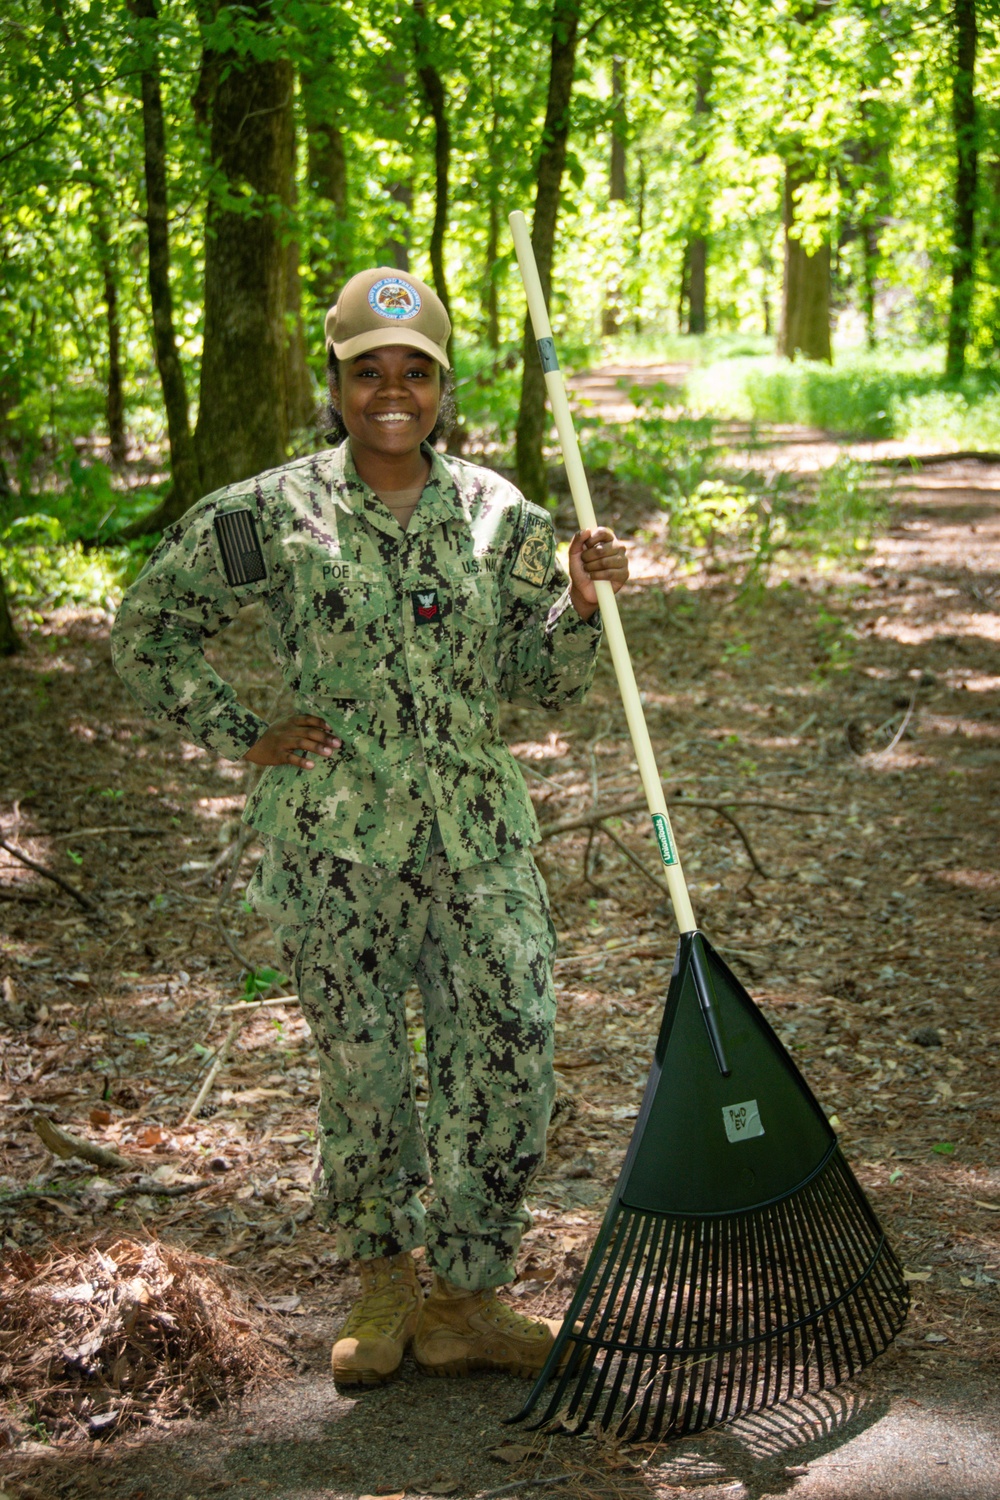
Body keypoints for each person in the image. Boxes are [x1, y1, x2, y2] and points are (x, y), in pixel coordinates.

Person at [112, 266, 629, 1389]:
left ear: (443, 385)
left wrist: (581, 607)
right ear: (335, 382)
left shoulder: (503, 519)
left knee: (509, 1050)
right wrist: (241, 729)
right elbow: (148, 628)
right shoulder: (268, 513)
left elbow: (540, 687)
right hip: (336, 846)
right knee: (363, 1074)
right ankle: (385, 1279)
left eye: (415, 371)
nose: (391, 390)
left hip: (477, 840)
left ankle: (468, 1295)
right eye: (367, 371)